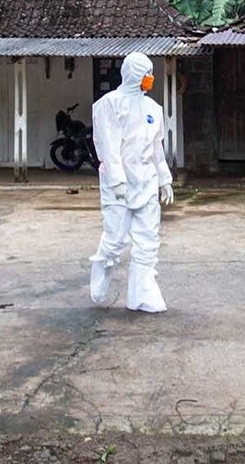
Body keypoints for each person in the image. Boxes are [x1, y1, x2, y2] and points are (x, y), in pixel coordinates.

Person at [88, 53, 174, 313]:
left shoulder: (153, 109)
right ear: (134, 74)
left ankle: (142, 294)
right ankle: (101, 271)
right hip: (120, 184)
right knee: (116, 238)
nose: (151, 78)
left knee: (148, 240)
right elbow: (108, 145)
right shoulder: (109, 104)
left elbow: (156, 147)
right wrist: (117, 181)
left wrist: (164, 179)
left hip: (146, 180)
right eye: (146, 72)